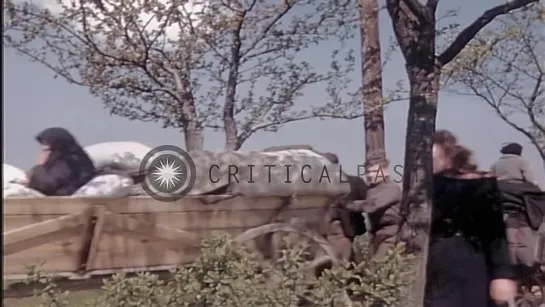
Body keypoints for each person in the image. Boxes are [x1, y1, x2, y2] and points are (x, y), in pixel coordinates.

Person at [425, 131, 517, 307]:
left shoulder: (480, 186)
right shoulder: (426, 189)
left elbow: (495, 232)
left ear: (448, 156)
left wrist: (501, 273)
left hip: (474, 266)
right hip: (437, 267)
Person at [20, 127, 95, 196]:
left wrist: (39, 167)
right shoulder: (69, 157)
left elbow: (47, 184)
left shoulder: (70, 160)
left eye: (46, 144)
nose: (42, 148)